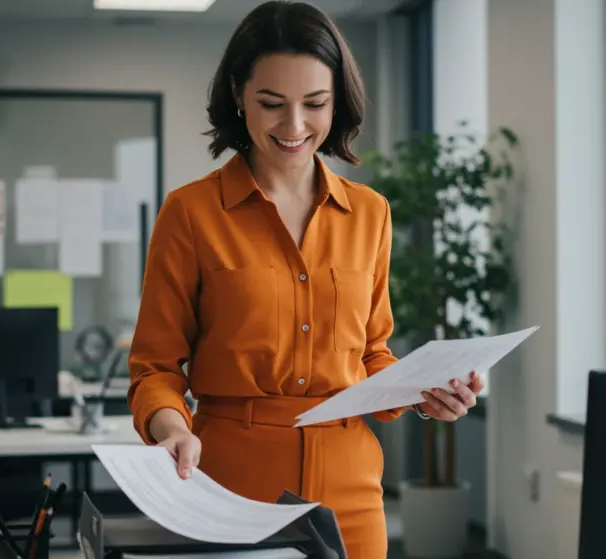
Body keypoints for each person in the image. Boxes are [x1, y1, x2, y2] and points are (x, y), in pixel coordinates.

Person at [126, 1, 485, 557]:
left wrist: (426, 393)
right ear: (238, 96)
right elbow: (154, 368)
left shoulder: (371, 214)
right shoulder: (191, 213)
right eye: (271, 104)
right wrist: (171, 429)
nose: (294, 127)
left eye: (315, 104)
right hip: (229, 480)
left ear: (337, 102)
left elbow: (372, 356)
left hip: (352, 488)